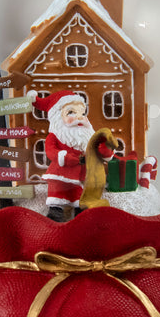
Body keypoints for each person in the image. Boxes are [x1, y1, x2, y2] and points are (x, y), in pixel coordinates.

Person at [32, 90, 117, 221]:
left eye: (82, 113)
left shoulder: (89, 136)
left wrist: (104, 150)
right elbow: (51, 151)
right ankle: (56, 212)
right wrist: (65, 157)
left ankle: (80, 211)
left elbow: (99, 150)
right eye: (71, 112)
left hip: (81, 174)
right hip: (61, 172)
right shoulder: (55, 136)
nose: (79, 117)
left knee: (79, 193)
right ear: (57, 117)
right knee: (58, 192)